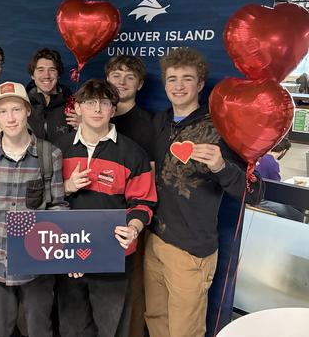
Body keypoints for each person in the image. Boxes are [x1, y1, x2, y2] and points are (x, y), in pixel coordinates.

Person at [144, 47, 264, 337]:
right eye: (172, 79)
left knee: (185, 330)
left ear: (200, 84)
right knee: (155, 319)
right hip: (153, 240)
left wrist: (221, 165)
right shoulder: (158, 122)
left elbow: (254, 192)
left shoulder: (219, 128)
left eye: (187, 78)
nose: (179, 85)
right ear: (165, 84)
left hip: (191, 249)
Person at [54, 79, 157, 337]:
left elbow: (143, 202)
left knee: (111, 328)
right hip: (69, 253)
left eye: (104, 103)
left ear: (113, 109)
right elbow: (42, 200)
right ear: (78, 108)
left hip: (114, 255)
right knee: (71, 328)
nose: (97, 109)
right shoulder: (58, 149)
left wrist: (134, 228)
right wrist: (66, 187)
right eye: (90, 102)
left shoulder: (133, 153)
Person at [0, 81, 68, 337]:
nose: (10, 118)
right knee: (1, 330)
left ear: (27, 111)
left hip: (37, 266)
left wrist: (67, 252)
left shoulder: (49, 155)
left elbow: (58, 206)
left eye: (16, 110)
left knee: (39, 329)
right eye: (2, 111)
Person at [105, 55, 154, 337]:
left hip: (130, 220)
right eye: (116, 75)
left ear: (140, 84)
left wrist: (136, 222)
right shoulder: (92, 115)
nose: (122, 82)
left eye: (129, 77)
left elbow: (149, 178)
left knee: (131, 289)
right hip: (97, 215)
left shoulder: (147, 124)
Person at [26, 48, 78, 143]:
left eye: (52, 69)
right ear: (32, 75)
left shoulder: (73, 105)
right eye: (40, 70)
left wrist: (83, 127)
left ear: (58, 74)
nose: (46, 75)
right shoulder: (23, 104)